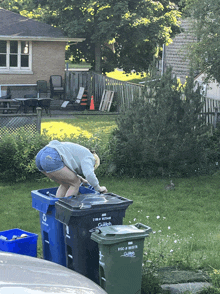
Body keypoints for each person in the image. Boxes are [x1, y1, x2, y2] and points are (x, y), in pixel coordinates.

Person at [35, 140, 107, 198]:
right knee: (76, 183)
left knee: (66, 183)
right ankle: (66, 212)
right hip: (52, 156)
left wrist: (82, 179)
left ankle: (57, 209)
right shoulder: (90, 158)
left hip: (41, 155)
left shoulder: (80, 154)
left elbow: (67, 173)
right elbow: (89, 174)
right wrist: (98, 188)